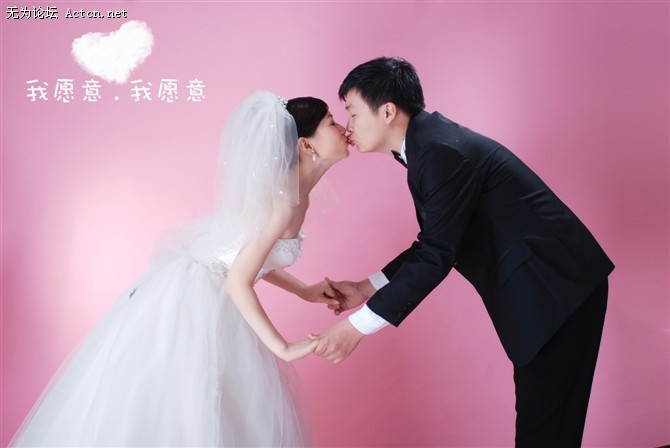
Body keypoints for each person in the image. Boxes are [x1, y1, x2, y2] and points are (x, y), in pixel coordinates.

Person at [10, 91, 349, 447]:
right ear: (306, 145)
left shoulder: (295, 196)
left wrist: (303, 290)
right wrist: (284, 348)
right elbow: (238, 279)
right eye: (332, 122)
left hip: (206, 288)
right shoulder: (284, 204)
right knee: (182, 407)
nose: (344, 129)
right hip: (195, 298)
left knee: (208, 409)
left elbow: (243, 258)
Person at [315, 57, 614, 447]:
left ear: (387, 111)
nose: (348, 125)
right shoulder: (428, 145)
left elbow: (436, 255)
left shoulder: (438, 152)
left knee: (545, 432)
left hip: (555, 289)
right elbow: (434, 242)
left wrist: (357, 327)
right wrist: (365, 288)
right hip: (546, 288)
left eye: (352, 112)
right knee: (547, 430)